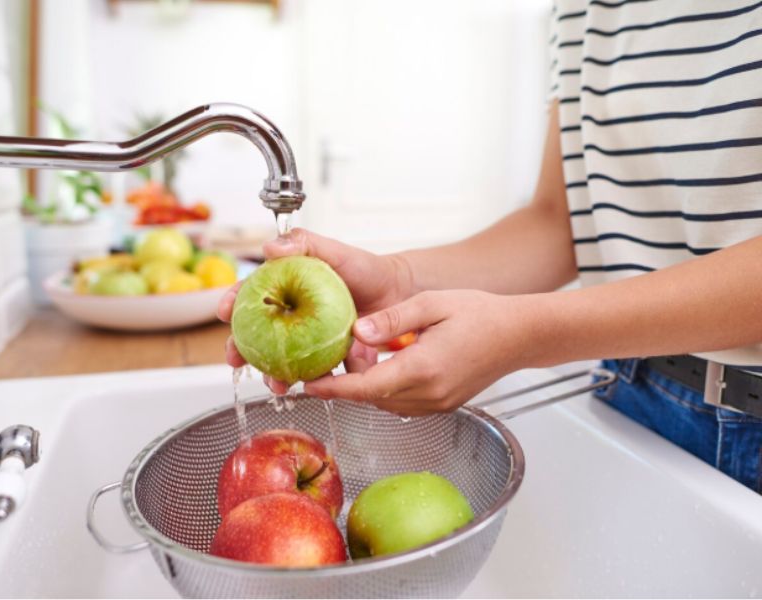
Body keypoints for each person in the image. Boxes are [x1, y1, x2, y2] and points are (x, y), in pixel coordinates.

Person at [219, 1, 762, 494]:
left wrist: (526, 332)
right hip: (631, 392)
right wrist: (397, 278)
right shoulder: (582, 8)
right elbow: (559, 221)